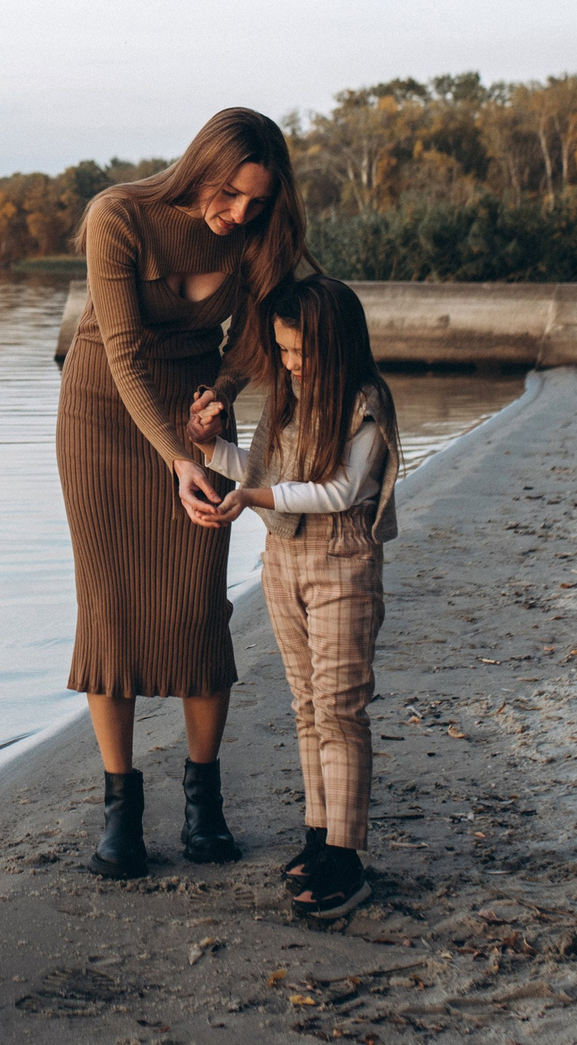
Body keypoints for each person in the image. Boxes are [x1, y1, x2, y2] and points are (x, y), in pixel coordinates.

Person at [58, 108, 310, 880]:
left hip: (196, 419)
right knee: (111, 606)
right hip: (104, 411)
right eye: (230, 193)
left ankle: (205, 804)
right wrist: (172, 456)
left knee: (198, 605)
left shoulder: (260, 235)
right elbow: (126, 355)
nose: (238, 213)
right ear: (201, 164)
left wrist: (221, 391)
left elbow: (257, 334)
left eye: (255, 203)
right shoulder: (119, 216)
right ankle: (121, 812)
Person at [184, 272, 400, 920]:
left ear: (336, 344)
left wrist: (252, 496)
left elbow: (340, 491)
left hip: (343, 564)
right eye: (282, 350)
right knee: (307, 706)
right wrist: (207, 447)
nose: (290, 362)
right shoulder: (284, 399)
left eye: (300, 350)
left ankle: (346, 855)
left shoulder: (365, 402)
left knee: (340, 709)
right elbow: (256, 474)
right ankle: (316, 831)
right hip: (282, 560)